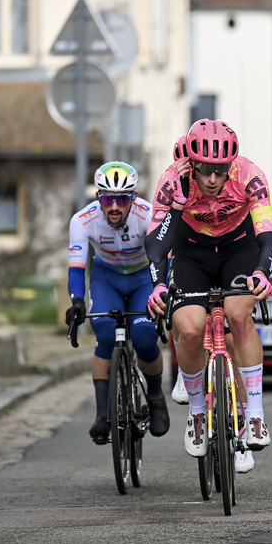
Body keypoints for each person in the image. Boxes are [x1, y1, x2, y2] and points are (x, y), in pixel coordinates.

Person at [146, 120, 272, 475]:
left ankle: (254, 416)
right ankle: (197, 413)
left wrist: (262, 273)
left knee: (238, 314)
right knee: (188, 328)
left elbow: (267, 237)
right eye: (205, 171)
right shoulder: (173, 179)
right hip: (191, 251)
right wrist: (175, 207)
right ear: (192, 163)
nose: (213, 180)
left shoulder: (250, 175)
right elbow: (157, 247)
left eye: (220, 171)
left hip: (239, 246)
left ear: (230, 165)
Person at [65, 162, 169, 445]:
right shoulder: (82, 220)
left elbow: (164, 258)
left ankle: (156, 396)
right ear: (99, 197)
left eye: (121, 199)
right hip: (106, 278)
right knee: (106, 336)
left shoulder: (149, 215)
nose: (114, 207)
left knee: (146, 337)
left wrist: (164, 290)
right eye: (108, 199)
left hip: (142, 278)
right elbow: (76, 268)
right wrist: (76, 301)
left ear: (132, 199)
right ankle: (102, 414)